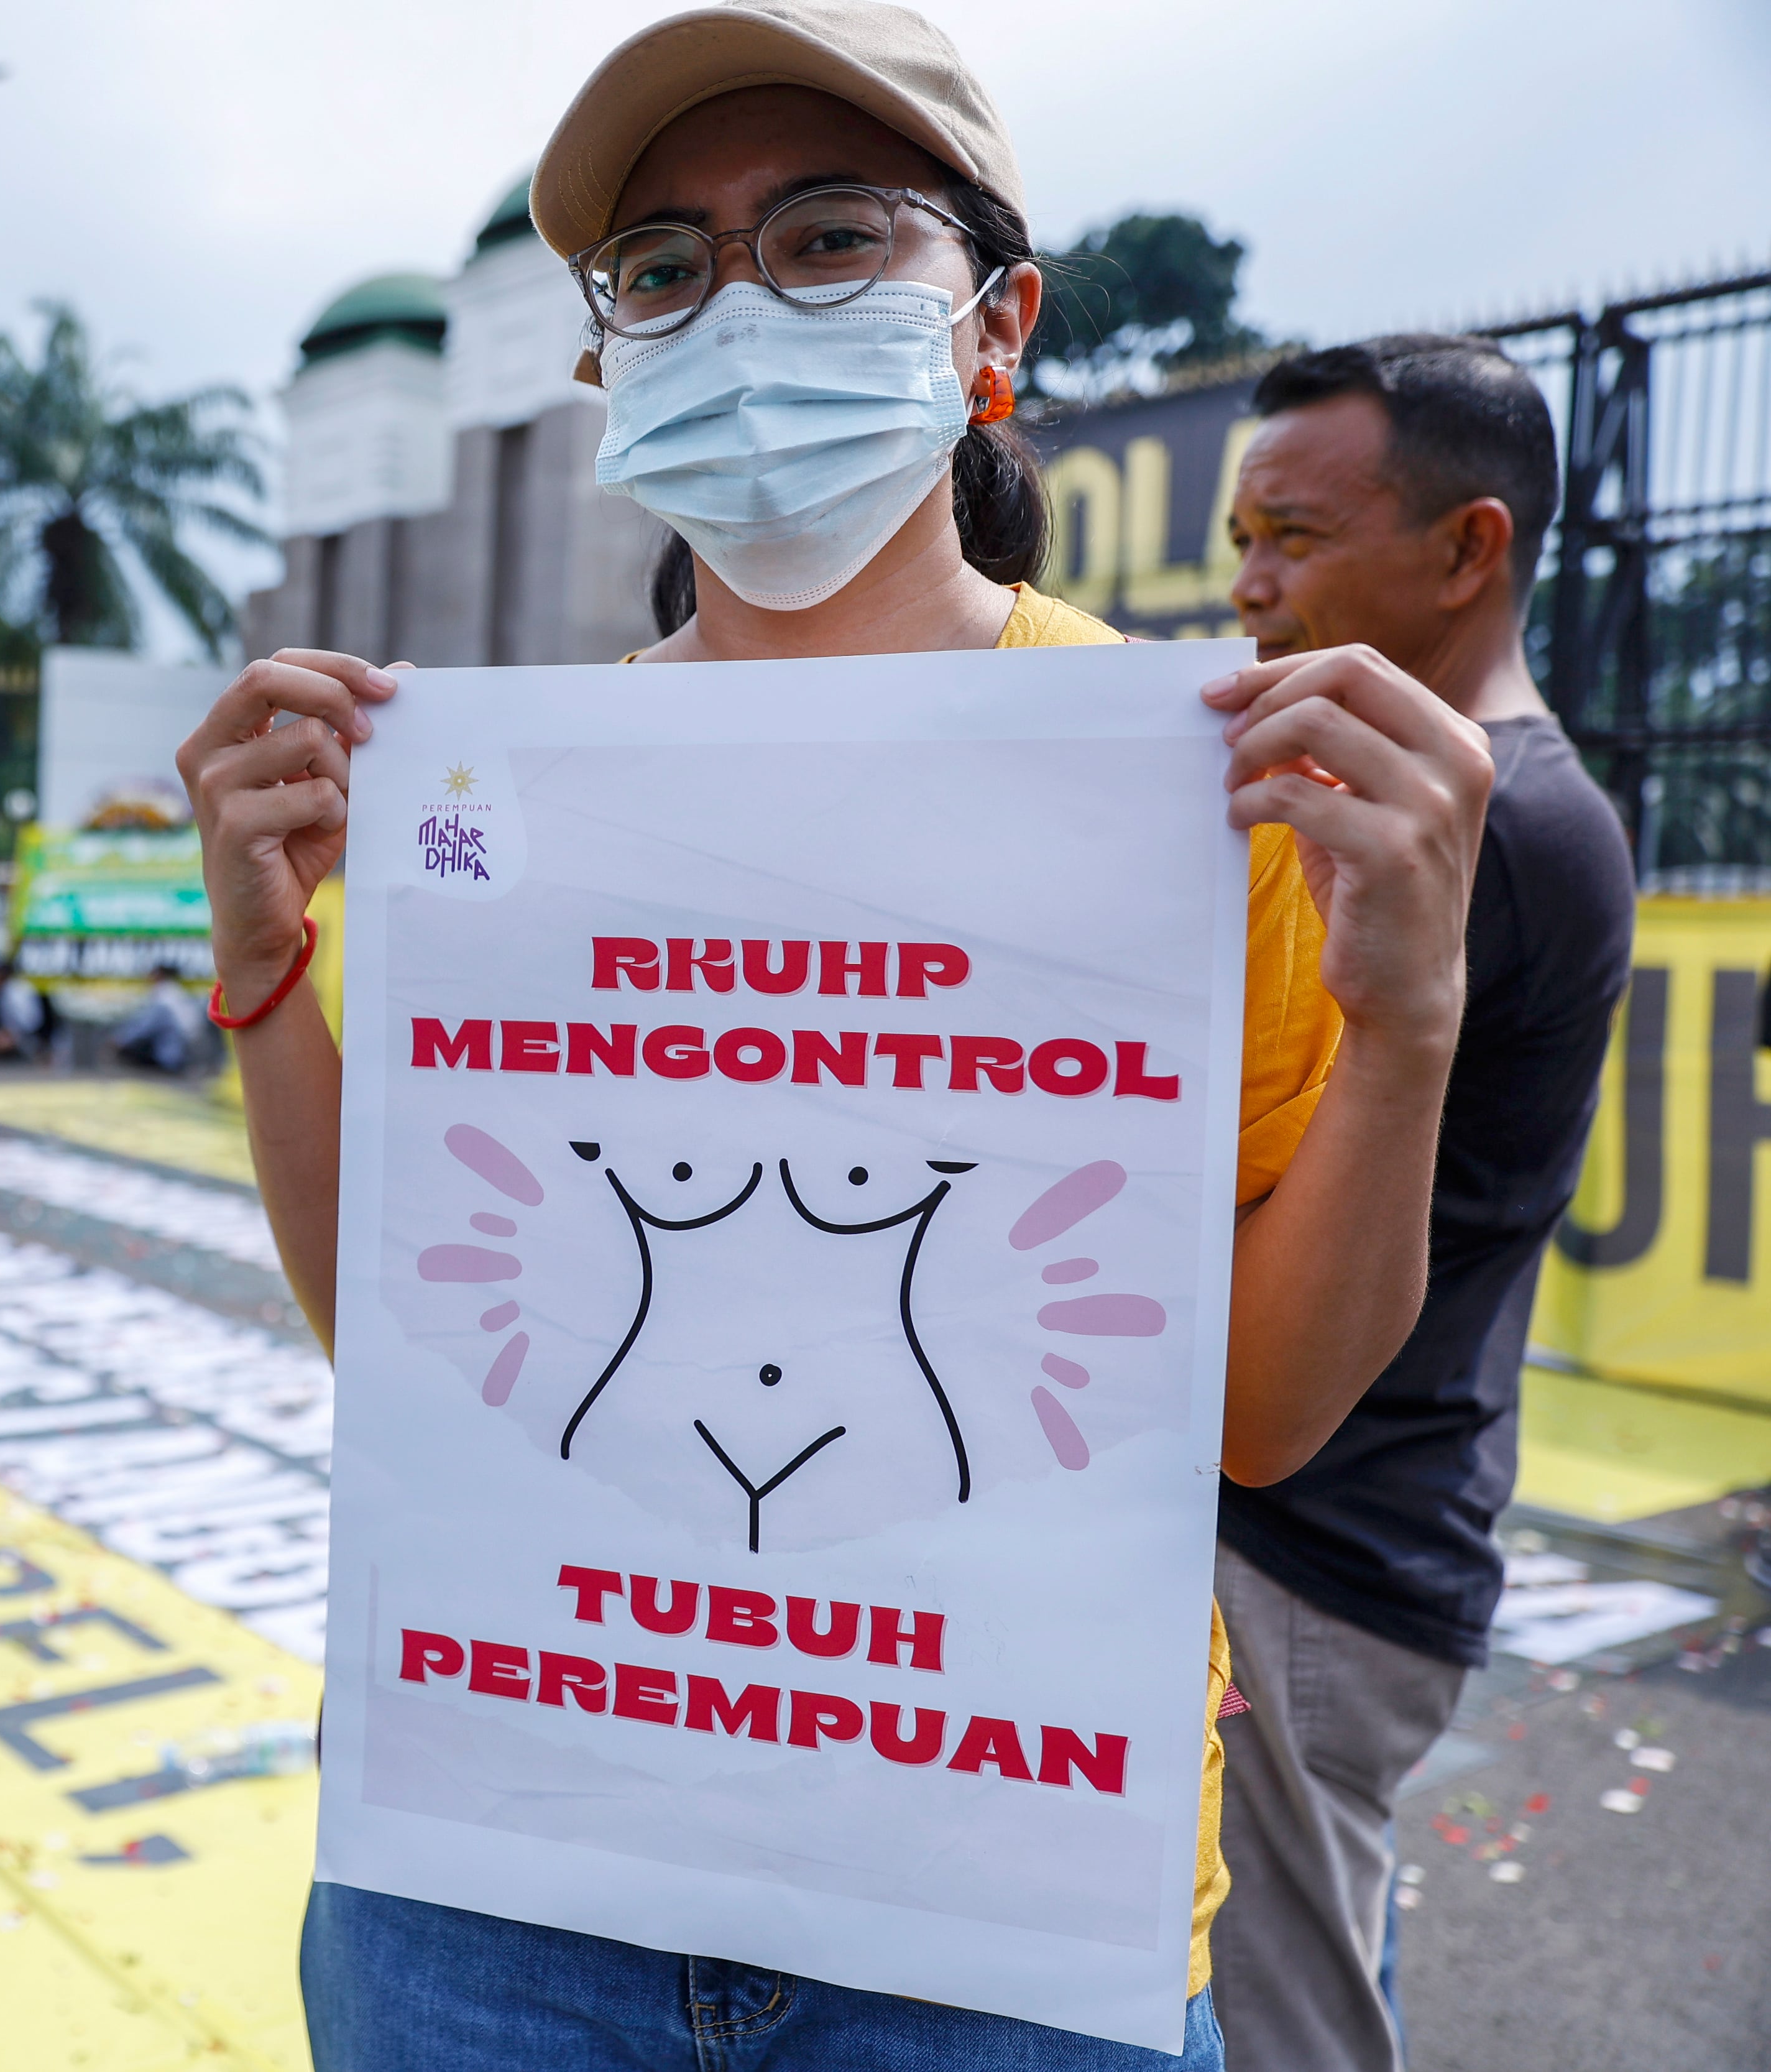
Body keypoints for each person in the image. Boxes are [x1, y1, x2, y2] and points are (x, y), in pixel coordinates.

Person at [176, 7, 1494, 2066]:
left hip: (998, 1926)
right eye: (670, 267)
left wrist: (1409, 1034)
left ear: (996, 321)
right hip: (502, 1897)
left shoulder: (1202, 786)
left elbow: (1259, 1420)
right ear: (610, 355)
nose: (739, 308)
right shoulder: (497, 800)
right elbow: (410, 1344)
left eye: (829, 236)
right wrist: (266, 977)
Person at [1207, 336, 1634, 2072]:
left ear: (1469, 550)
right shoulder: (1414, 806)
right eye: (1242, 536)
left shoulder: (1490, 830)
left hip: (1322, 1542)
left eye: (1294, 538)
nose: (1248, 588)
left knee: (1282, 2028)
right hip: (1342, 1527)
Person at [106, 961, 204, 1074]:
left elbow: (143, 1029)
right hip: (186, 1051)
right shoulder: (176, 992)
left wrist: (117, 1041)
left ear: (160, 975)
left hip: (170, 1056)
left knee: (124, 1047)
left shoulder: (164, 996)